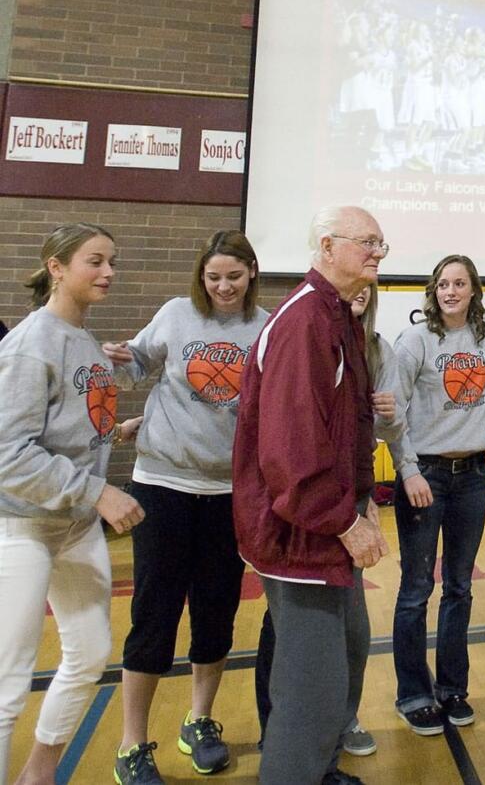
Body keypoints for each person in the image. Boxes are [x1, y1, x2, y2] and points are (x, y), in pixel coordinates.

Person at [233, 205, 391, 785]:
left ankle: (319, 773)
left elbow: (345, 426)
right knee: (311, 694)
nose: (377, 251)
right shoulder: (304, 322)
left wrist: (364, 498)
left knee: (346, 660)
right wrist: (343, 521)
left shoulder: (336, 315)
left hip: (326, 527)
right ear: (327, 247)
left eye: (381, 243)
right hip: (301, 535)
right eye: (367, 241)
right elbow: (292, 450)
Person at [104, 231, 268, 783]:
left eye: (234, 276)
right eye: (213, 276)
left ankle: (199, 720)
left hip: (227, 494)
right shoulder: (175, 314)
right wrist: (121, 358)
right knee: (154, 614)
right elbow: (136, 368)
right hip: (162, 485)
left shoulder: (266, 327)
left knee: (216, 612)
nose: (222, 286)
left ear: (251, 273)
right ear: (201, 276)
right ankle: (132, 743)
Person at [0, 223, 145, 784]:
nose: (108, 272)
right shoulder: (31, 343)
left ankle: (38, 772)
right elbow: (9, 452)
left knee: (88, 654)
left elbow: (75, 428)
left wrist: (118, 430)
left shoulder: (84, 341)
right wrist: (98, 490)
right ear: (57, 267)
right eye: (95, 261)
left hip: (74, 525)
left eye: (112, 261)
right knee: (9, 685)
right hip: (23, 526)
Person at [390, 256, 485, 734]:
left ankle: (452, 688)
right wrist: (407, 470)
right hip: (425, 475)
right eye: (443, 284)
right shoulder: (415, 341)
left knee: (460, 587)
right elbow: (391, 415)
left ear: (474, 291)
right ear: (433, 291)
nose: (450, 291)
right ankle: (412, 693)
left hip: (472, 474)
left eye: (459, 284)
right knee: (415, 591)